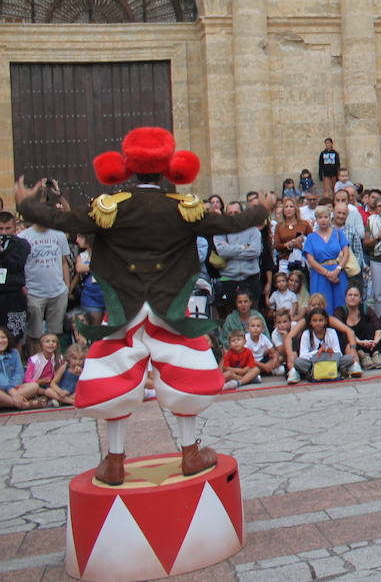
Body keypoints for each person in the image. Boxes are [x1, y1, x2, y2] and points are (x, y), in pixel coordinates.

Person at [14, 128, 272, 484]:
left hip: (124, 310)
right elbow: (229, 222)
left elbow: (64, 220)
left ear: (129, 167)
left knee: (114, 379)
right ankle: (190, 453)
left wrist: (28, 204)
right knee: (185, 376)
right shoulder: (183, 208)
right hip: (170, 310)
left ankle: (114, 460)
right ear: (167, 168)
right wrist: (263, 208)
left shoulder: (110, 207)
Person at [19, 209, 71, 355]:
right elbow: (20, 264)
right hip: (34, 292)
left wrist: (67, 286)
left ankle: (54, 363)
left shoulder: (59, 235)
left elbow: (64, 262)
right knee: (34, 334)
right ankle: (35, 364)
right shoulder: (23, 237)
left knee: (55, 334)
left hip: (57, 291)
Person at [303, 205, 350, 314]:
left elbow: (346, 253)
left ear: (330, 218)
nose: (323, 220)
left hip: (338, 273)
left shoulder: (338, 233)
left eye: (325, 217)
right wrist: (327, 273)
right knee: (321, 305)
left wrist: (337, 270)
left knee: (341, 303)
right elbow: (311, 260)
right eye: (320, 217)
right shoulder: (311, 237)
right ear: (316, 219)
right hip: (320, 274)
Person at [293, 306, 355, 382]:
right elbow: (302, 355)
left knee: (349, 358)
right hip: (314, 362)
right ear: (310, 322)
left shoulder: (331, 332)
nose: (318, 323)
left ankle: (323, 372)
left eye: (321, 320)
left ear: (325, 321)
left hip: (330, 360)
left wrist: (327, 351)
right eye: (314, 321)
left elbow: (338, 353)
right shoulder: (306, 334)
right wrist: (318, 352)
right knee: (298, 362)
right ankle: (323, 372)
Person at [0, 212, 31, 343]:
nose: (3, 232)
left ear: (14, 227)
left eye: (7, 228)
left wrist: (2, 252)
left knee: (15, 335)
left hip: (14, 294)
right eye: (1, 229)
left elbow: (16, 265)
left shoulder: (22, 244)